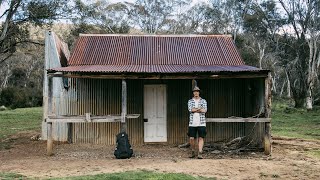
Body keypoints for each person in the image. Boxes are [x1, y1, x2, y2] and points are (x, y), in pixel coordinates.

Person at [187, 86, 207, 159]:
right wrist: (199, 108)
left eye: (197, 91)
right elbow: (190, 110)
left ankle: (200, 153)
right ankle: (193, 151)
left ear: (199, 92)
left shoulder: (203, 101)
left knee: (201, 138)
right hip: (192, 123)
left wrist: (195, 109)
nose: (196, 92)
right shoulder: (190, 101)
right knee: (192, 138)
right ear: (193, 93)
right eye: (194, 91)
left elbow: (204, 110)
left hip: (201, 122)